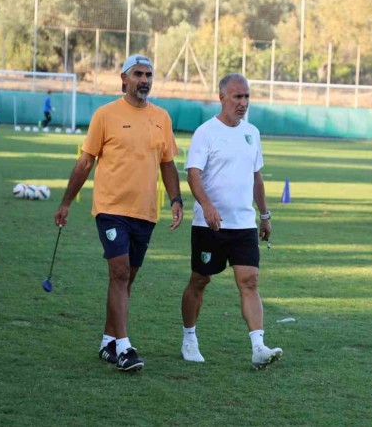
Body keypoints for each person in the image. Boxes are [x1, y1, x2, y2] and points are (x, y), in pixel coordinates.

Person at [53, 54, 183, 372]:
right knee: (120, 273)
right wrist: (66, 202)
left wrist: (176, 199)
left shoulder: (162, 118)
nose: (144, 80)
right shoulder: (105, 115)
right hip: (111, 208)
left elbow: (167, 163)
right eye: (138, 74)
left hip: (145, 211)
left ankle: (108, 341)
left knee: (126, 279)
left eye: (148, 75)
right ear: (123, 79)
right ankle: (125, 348)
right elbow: (85, 162)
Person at [180, 73, 282, 369]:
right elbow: (193, 174)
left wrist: (265, 215)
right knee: (200, 280)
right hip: (209, 225)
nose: (243, 102)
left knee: (249, 281)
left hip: (244, 225)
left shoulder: (252, 132)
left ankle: (258, 347)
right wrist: (207, 206)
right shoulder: (205, 132)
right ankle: (189, 337)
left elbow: (256, 177)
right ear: (222, 97)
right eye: (238, 96)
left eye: (247, 96)